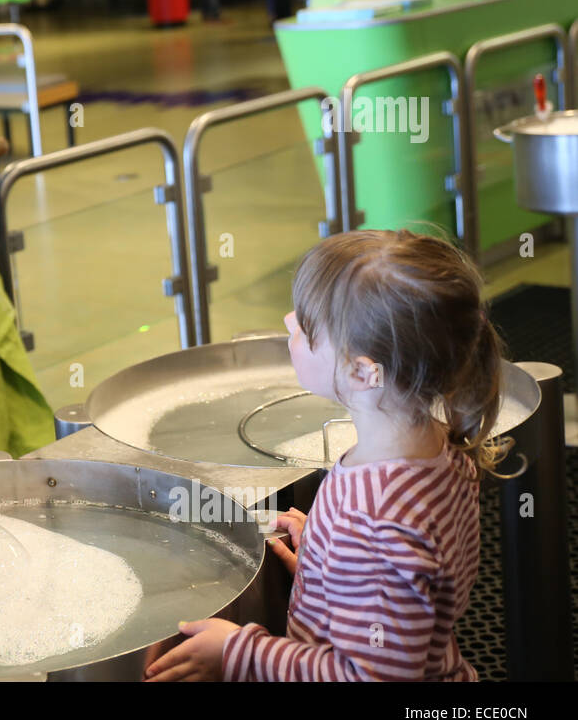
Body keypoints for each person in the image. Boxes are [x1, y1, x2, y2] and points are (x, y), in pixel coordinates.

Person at [146, 229, 504, 681]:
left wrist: (240, 653)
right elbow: (414, 589)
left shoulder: (372, 520)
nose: (288, 320)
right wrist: (324, 561)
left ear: (362, 370)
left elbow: (373, 676)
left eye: (308, 327)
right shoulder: (443, 448)